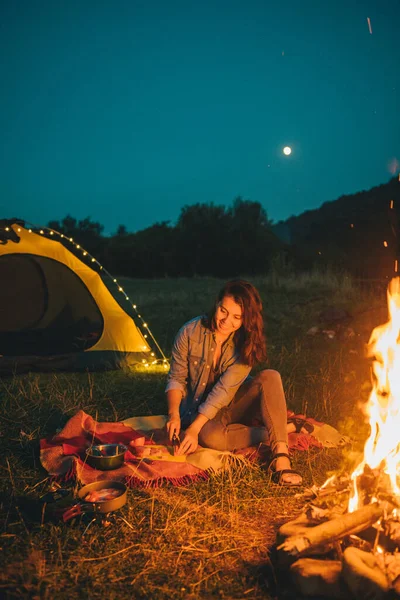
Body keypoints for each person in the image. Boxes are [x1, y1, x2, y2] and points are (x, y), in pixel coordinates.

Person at [165, 279, 303, 486]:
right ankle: (282, 429)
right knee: (211, 439)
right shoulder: (189, 332)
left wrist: (192, 430)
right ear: (217, 304)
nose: (226, 321)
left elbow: (223, 392)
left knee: (271, 376)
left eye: (237, 317)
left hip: (233, 402)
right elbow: (176, 377)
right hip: (201, 410)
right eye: (223, 311)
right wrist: (174, 414)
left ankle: (281, 455)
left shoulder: (246, 344)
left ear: (245, 319)